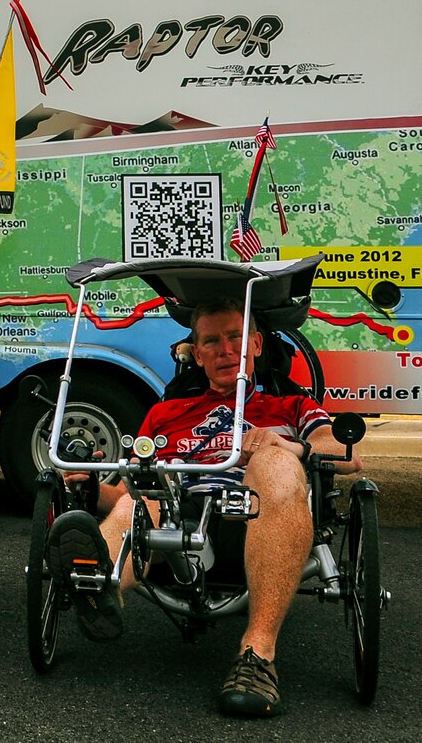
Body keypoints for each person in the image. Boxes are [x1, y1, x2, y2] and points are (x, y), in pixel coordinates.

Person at [48, 298, 361, 718]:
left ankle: (257, 655)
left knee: (275, 461)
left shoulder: (289, 406)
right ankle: (99, 583)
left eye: (234, 337)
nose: (224, 349)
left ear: (255, 343)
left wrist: (287, 444)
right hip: (176, 517)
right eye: (211, 341)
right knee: (143, 499)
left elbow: (346, 453)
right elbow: (124, 492)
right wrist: (88, 488)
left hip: (258, 517)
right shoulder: (164, 413)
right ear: (197, 355)